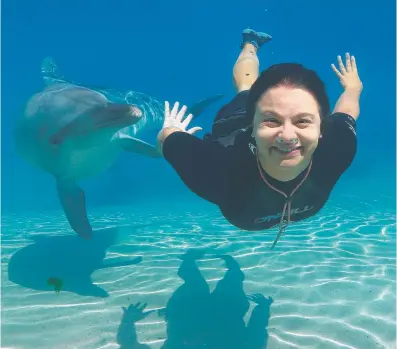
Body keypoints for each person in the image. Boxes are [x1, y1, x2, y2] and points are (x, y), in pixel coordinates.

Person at [157, 28, 363, 248]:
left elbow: (346, 112)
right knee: (246, 89)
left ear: (322, 128)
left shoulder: (338, 148)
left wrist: (353, 87)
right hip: (232, 128)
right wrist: (174, 133)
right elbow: (166, 138)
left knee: (252, 92)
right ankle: (250, 43)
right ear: (252, 126)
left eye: (302, 121)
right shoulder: (215, 169)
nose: (287, 136)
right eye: (271, 121)